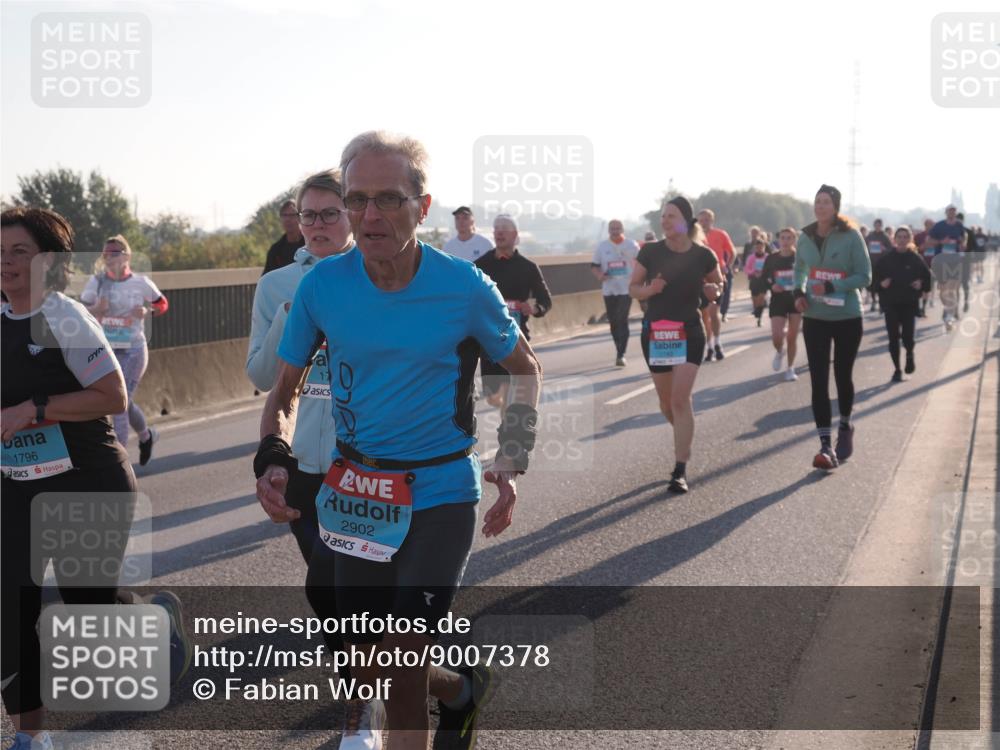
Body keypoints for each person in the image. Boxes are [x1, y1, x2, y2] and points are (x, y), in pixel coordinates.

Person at [255, 131, 543, 750]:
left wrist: (511, 457)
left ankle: (442, 695)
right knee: (370, 658)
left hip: (440, 490)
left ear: (424, 205)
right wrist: (272, 456)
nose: (369, 215)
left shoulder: (462, 287)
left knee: (403, 654)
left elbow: (524, 369)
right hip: (357, 489)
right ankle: (461, 690)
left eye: (388, 199)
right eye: (357, 200)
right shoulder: (323, 286)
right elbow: (284, 390)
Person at [1, 208, 189, 750]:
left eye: (20, 252)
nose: (7, 263)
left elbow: (113, 397)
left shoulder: (64, 318)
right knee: (9, 610)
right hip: (16, 486)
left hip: (87, 480)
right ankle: (31, 738)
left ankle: (154, 623)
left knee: (88, 614)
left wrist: (36, 408)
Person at [629, 196, 722, 494]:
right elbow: (633, 289)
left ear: (685, 221)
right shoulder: (651, 252)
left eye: (671, 216)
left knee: (681, 400)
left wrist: (712, 291)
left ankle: (679, 468)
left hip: (690, 332)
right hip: (657, 334)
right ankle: (684, 434)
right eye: (663, 217)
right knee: (667, 404)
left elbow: (718, 285)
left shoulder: (703, 254)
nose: (665, 221)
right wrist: (651, 289)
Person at [792, 184, 871, 471]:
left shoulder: (850, 236)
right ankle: (825, 446)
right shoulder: (805, 236)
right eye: (817, 201)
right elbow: (799, 269)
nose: (820, 206)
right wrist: (798, 292)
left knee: (842, 375)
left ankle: (846, 425)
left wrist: (833, 285)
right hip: (815, 317)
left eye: (826, 202)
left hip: (847, 317)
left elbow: (865, 275)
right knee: (818, 380)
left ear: (835, 207)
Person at [80, 235, 168, 466]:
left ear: (127, 256)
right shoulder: (97, 282)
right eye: (106, 253)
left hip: (134, 350)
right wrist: (95, 309)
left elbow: (162, 303)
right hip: (108, 351)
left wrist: (147, 312)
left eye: (115, 252)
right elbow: (81, 310)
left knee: (120, 402)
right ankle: (146, 435)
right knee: (124, 403)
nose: (110, 257)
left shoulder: (141, 282)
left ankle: (118, 460)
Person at [475, 215, 552, 410]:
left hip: (517, 338)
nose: (499, 232)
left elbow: (545, 300)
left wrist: (535, 308)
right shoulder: (480, 266)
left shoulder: (528, 267)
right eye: (496, 228)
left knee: (510, 395)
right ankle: (503, 407)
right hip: (488, 339)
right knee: (493, 397)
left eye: (505, 228)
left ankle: (507, 425)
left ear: (515, 235)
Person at [873, 226, 932, 382]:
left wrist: (921, 284)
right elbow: (872, 278)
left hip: (909, 303)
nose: (902, 240)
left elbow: (928, 277)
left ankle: (909, 354)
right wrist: (881, 284)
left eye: (905, 237)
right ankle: (897, 370)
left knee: (908, 337)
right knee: (893, 338)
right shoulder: (886, 258)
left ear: (910, 239)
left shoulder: (915, 258)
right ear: (894, 239)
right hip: (890, 303)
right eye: (899, 237)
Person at [590, 219, 639, 366]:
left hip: (626, 288)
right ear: (609, 231)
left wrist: (638, 278)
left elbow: (642, 263)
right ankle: (618, 347)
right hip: (609, 289)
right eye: (612, 229)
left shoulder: (632, 245)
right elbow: (594, 265)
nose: (615, 231)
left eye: (618, 228)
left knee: (622, 318)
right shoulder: (602, 246)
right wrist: (600, 276)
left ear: (622, 229)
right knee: (613, 321)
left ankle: (621, 353)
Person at [762, 227, 801, 381]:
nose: (785, 241)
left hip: (795, 300)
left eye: (789, 238)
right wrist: (772, 286)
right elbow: (764, 278)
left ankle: (790, 368)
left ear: (794, 240)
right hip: (778, 300)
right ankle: (780, 351)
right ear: (778, 240)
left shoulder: (799, 258)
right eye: (783, 238)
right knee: (777, 336)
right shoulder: (771, 259)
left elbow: (807, 277)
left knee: (792, 337)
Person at [696, 209, 734, 357]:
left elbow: (732, 252)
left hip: (717, 278)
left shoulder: (720, 234)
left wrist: (727, 267)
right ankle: (710, 345)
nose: (704, 222)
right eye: (701, 220)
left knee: (713, 312)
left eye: (707, 220)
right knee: (704, 315)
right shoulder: (694, 237)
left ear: (712, 220)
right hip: (700, 280)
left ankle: (717, 342)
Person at [929, 205, 965, 330]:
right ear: (946, 212)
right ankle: (947, 308)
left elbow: (962, 241)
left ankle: (949, 315)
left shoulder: (959, 226)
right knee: (943, 291)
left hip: (955, 262)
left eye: (954, 211)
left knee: (953, 288)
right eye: (950, 211)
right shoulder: (939, 226)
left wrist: (961, 246)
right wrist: (941, 242)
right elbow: (929, 241)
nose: (952, 213)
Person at [262, 199, 305, 275]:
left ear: (300, 217)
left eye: (292, 215)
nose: (287, 219)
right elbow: (266, 278)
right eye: (284, 215)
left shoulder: (310, 246)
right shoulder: (276, 250)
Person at [865, 219, 893, 312]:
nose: (877, 227)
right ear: (874, 225)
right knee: (872, 284)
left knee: (881, 284)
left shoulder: (885, 236)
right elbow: (863, 247)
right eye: (876, 225)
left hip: (882, 264)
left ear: (881, 226)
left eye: (879, 225)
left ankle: (881, 303)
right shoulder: (870, 236)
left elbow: (891, 249)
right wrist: (868, 248)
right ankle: (873, 301)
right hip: (871, 263)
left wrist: (884, 248)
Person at [744, 237, 770, 326]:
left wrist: (764, 273)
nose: (759, 249)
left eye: (761, 247)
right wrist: (753, 272)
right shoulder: (751, 258)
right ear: (755, 248)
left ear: (764, 247)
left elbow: (770, 268)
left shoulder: (767, 257)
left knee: (761, 298)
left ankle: (759, 318)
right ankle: (756, 311)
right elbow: (746, 269)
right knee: (755, 300)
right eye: (757, 247)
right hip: (754, 280)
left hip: (763, 280)